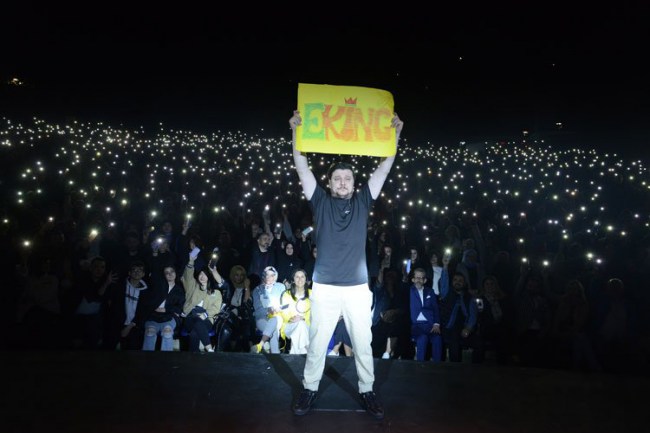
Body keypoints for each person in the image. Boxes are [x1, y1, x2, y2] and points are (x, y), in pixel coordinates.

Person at [289, 109, 403, 420]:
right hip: (324, 287)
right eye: (337, 178)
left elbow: (383, 169)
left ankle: (368, 390)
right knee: (317, 343)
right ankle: (309, 388)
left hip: (356, 289)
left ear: (354, 184)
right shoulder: (320, 202)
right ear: (329, 183)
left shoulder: (363, 201)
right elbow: (302, 167)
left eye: (347, 178)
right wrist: (296, 131)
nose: (342, 182)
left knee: (363, 343)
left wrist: (395, 135)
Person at [250, 266, 286, 354]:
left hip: (278, 316)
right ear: (263, 276)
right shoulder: (257, 290)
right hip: (262, 318)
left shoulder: (281, 287)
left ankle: (261, 345)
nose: (269, 277)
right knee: (273, 329)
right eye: (267, 275)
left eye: (272, 275)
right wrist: (268, 311)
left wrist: (279, 309)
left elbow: (285, 303)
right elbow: (257, 309)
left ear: (275, 276)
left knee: (275, 320)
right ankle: (275, 353)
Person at [409, 268, 442, 362]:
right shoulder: (409, 291)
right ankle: (420, 365)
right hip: (415, 325)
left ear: (425, 280)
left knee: (437, 339)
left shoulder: (430, 291)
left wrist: (436, 323)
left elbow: (435, 308)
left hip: (429, 324)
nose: (419, 280)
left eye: (421, 278)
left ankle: (437, 366)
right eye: (417, 277)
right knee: (422, 338)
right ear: (413, 279)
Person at [279, 269, 312, 354]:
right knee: (300, 325)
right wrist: (292, 319)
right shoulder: (286, 294)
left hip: (307, 325)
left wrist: (303, 318)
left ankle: (295, 354)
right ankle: (308, 351)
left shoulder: (312, 294)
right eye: (297, 277)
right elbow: (283, 312)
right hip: (289, 325)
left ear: (306, 279)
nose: (300, 279)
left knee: (301, 325)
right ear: (293, 280)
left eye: (302, 277)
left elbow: (314, 313)